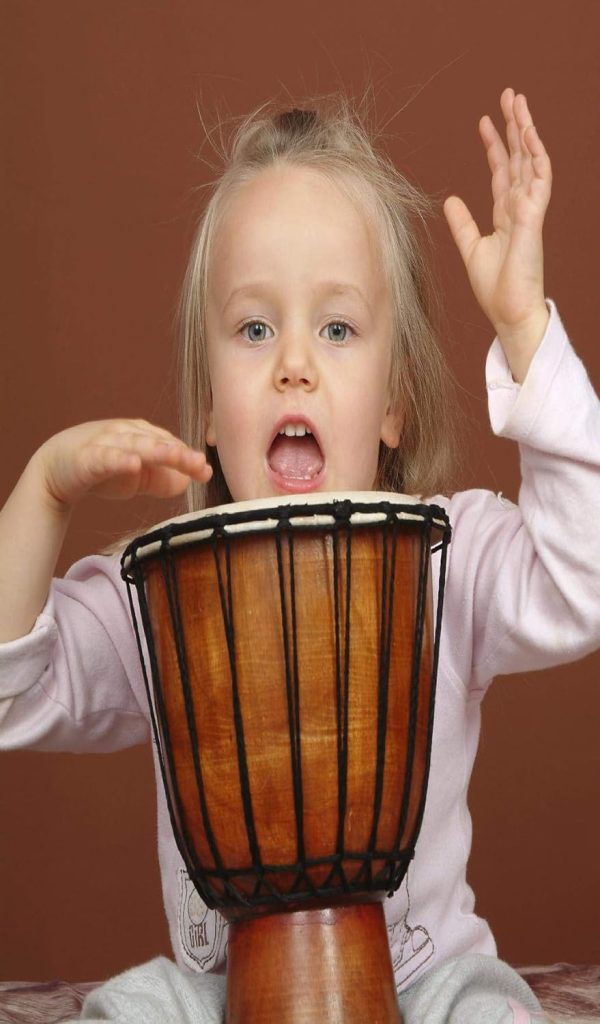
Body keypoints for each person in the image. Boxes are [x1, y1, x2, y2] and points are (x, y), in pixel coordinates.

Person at [1, 86, 598, 1024]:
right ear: (206, 401)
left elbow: (585, 579)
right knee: (136, 1008)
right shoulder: (158, 595)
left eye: (337, 328)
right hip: (218, 993)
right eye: (252, 329)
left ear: (395, 403)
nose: (294, 364)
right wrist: (43, 490)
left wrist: (523, 328)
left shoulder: (447, 559)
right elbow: (11, 693)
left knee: (489, 1009)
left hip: (423, 983)